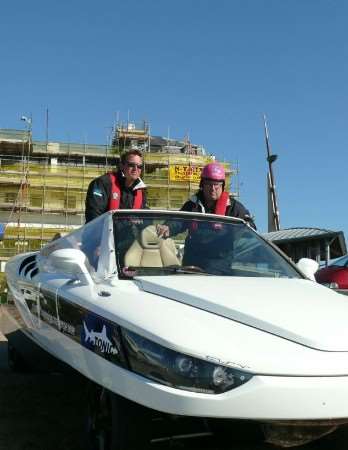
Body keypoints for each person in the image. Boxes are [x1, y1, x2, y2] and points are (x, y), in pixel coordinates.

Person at [156, 162, 256, 271]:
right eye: (209, 184)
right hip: (192, 264)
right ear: (202, 185)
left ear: (222, 186)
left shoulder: (234, 207)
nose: (213, 188)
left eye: (216, 184)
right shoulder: (192, 204)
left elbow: (250, 227)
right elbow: (178, 221)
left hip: (219, 267)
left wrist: (241, 230)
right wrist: (167, 227)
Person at [85, 149, 147, 223]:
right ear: (121, 166)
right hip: (103, 233)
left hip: (127, 234)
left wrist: (158, 224)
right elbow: (93, 215)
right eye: (131, 165)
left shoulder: (141, 191)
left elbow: (145, 217)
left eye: (139, 166)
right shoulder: (103, 183)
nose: (135, 169)